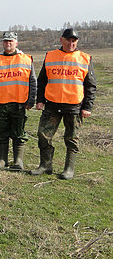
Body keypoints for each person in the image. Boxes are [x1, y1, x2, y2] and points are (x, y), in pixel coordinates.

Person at [31, 28, 96, 180]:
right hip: (52, 105)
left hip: (74, 106)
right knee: (43, 135)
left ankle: (69, 169)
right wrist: (39, 100)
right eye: (68, 40)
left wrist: (87, 107)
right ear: (61, 40)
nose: (71, 43)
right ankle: (45, 165)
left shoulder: (85, 58)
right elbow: (42, 81)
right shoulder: (51, 56)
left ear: (77, 42)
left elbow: (91, 86)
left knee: (72, 138)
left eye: (74, 41)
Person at [0, 31, 37, 170]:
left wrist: (31, 100)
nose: (8, 43)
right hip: (1, 104)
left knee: (19, 133)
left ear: (16, 43)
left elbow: (32, 81)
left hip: (19, 104)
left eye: (11, 41)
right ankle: (2, 160)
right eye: (6, 41)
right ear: (3, 43)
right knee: (1, 132)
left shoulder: (26, 60)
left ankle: (18, 161)